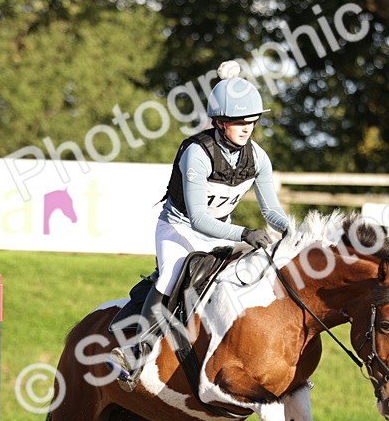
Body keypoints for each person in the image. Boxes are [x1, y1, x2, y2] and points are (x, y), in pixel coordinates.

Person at [109, 60, 292, 391]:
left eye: (252, 119)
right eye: (238, 120)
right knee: (171, 274)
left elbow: (271, 211)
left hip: (223, 230)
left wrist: (293, 229)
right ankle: (133, 350)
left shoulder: (259, 158)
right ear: (219, 122)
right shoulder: (196, 153)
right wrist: (245, 234)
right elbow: (199, 219)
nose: (247, 126)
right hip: (179, 230)